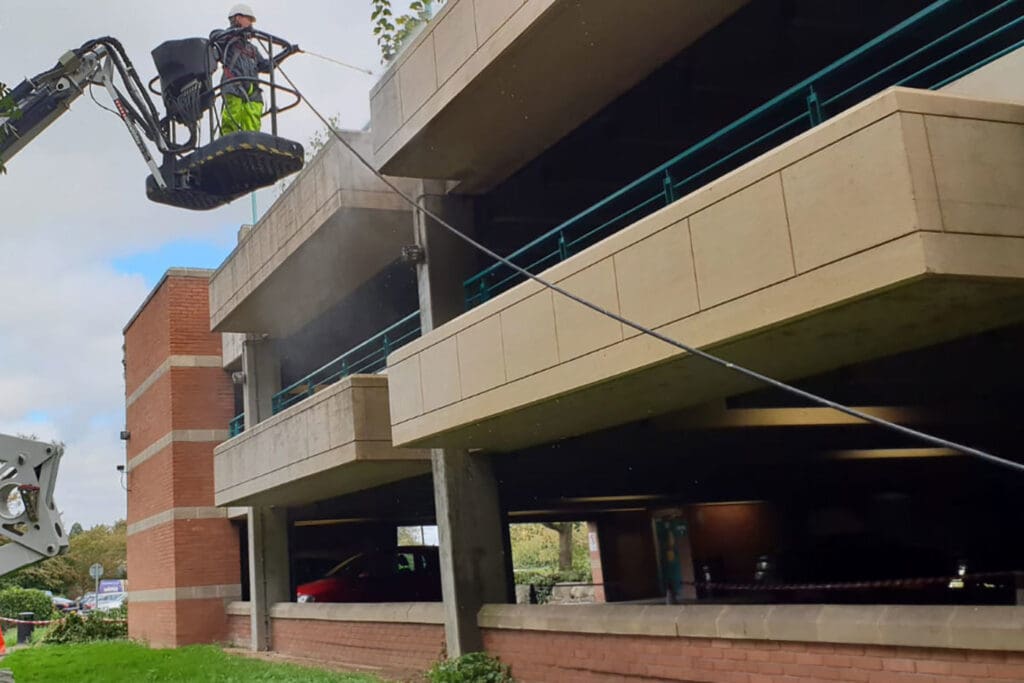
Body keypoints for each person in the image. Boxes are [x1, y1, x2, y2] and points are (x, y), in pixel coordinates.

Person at [209, 4, 295, 135]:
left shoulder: (252, 49)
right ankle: (229, 144)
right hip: (233, 85)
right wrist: (236, 31)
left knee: (253, 121)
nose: (251, 24)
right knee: (232, 117)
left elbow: (267, 66)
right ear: (238, 18)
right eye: (249, 19)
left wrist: (287, 53)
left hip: (252, 91)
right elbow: (214, 36)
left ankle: (251, 143)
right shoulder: (227, 40)